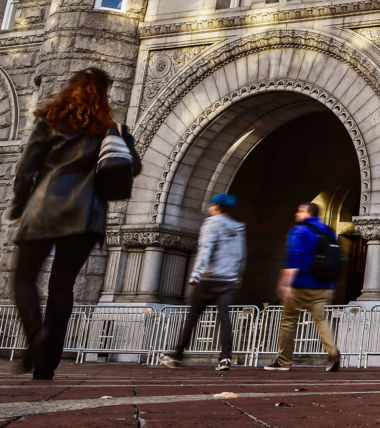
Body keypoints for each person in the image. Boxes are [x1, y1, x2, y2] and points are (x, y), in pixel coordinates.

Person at [9, 68, 141, 380]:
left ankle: (36, 337)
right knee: (62, 285)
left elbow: (27, 168)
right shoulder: (111, 129)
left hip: (44, 208)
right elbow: (132, 166)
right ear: (104, 96)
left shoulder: (49, 120)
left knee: (24, 279)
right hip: (87, 216)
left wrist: (18, 205)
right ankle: (48, 361)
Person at [160, 193, 246, 371]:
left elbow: (206, 250)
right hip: (228, 279)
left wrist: (195, 275)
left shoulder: (211, 224)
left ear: (216, 206)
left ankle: (177, 355)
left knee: (192, 318)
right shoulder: (238, 228)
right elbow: (240, 255)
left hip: (209, 279)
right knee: (225, 319)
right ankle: (225, 358)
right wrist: (237, 277)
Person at [263, 203, 341, 372]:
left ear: (308, 212)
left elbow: (294, 257)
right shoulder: (328, 231)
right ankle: (332, 351)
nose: (296, 213)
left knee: (288, 321)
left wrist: (285, 283)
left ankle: (283, 361)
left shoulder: (300, 230)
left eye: (300, 210)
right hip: (323, 285)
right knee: (320, 320)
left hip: (301, 283)